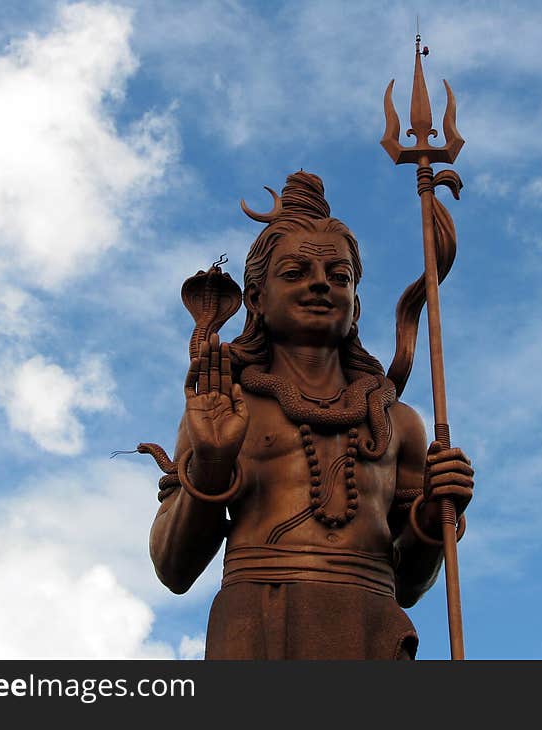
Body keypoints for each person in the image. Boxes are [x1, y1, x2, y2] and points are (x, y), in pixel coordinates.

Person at [148, 171, 474, 659]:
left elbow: (407, 583)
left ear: (356, 303)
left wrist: (433, 514)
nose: (321, 285)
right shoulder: (226, 408)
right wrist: (212, 463)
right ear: (256, 298)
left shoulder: (399, 422)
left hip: (372, 628)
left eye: (338, 276)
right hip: (259, 623)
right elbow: (174, 568)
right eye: (296, 272)